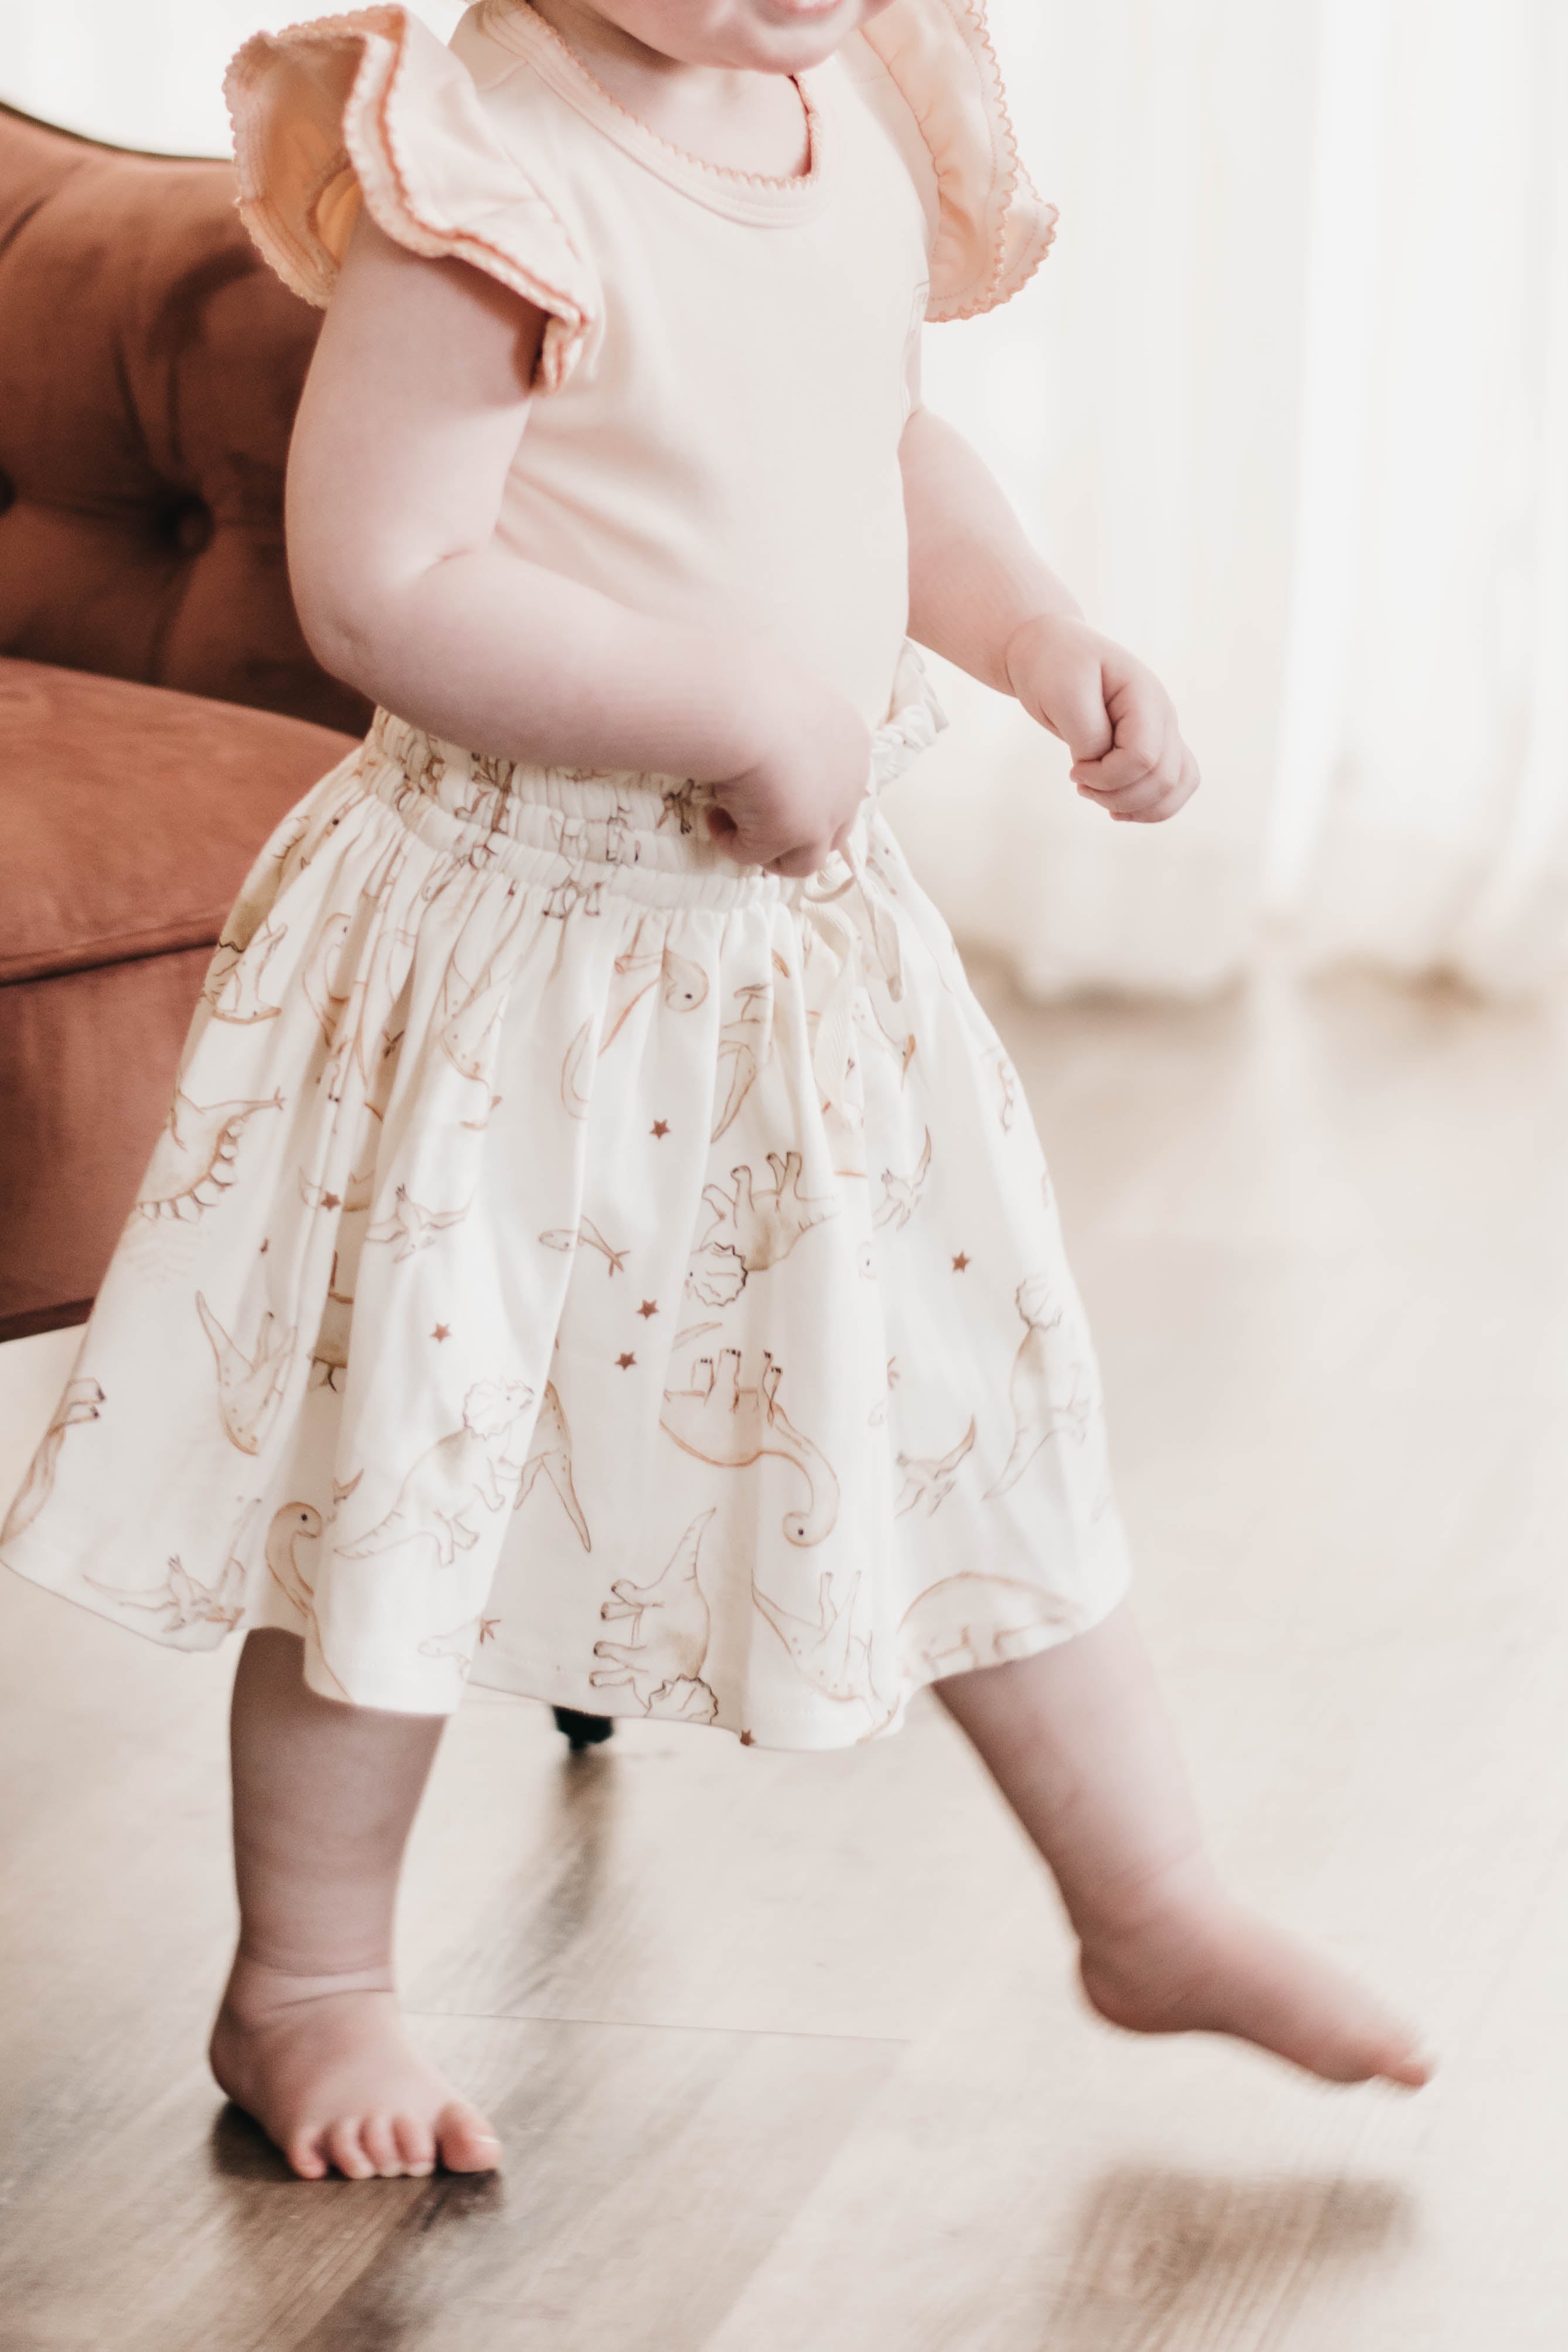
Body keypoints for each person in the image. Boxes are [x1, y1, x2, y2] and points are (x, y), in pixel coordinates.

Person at [1, 0, 1430, 2183]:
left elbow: (879, 439)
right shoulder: (487, 172)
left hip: (786, 942)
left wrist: (1036, 633)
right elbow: (381, 584)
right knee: (403, 1454)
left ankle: (1145, 1902)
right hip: (505, 940)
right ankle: (304, 1979)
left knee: (972, 1394)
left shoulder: (835, 93)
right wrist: (729, 705)